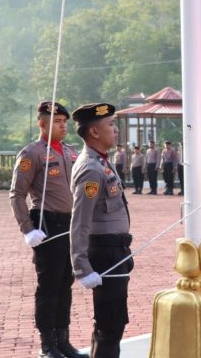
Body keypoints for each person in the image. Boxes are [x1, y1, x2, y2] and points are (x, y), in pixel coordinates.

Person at [8, 101, 86, 358]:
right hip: (47, 224)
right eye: (57, 122)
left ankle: (63, 341)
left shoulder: (72, 152)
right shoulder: (31, 154)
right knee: (49, 286)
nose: (63, 126)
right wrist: (27, 229)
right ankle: (47, 345)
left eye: (65, 122)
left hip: (71, 225)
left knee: (65, 284)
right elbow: (17, 194)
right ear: (42, 123)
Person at [69, 103, 133, 358]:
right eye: (110, 125)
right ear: (94, 132)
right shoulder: (91, 168)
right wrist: (81, 266)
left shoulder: (102, 161)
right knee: (110, 323)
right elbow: (80, 220)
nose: (115, 130)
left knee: (110, 323)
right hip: (106, 253)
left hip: (115, 250)